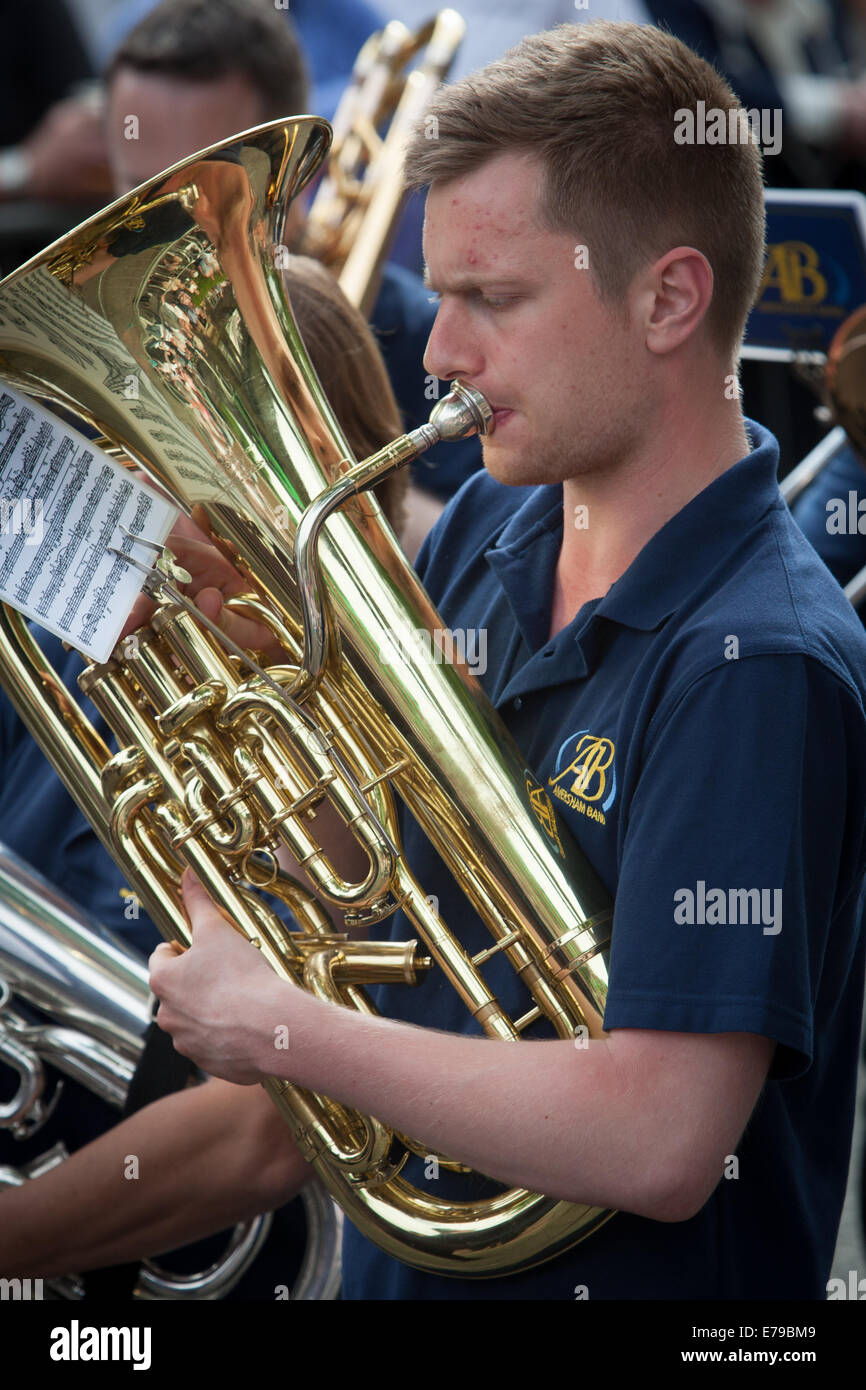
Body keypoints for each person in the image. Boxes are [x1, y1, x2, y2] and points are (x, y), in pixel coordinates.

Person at [3, 18, 866, 1303]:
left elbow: (661, 1134)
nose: (438, 354)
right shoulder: (486, 530)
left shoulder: (754, 657)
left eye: (492, 300)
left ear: (669, 299)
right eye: (440, 292)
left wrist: (280, 1023)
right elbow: (391, 960)